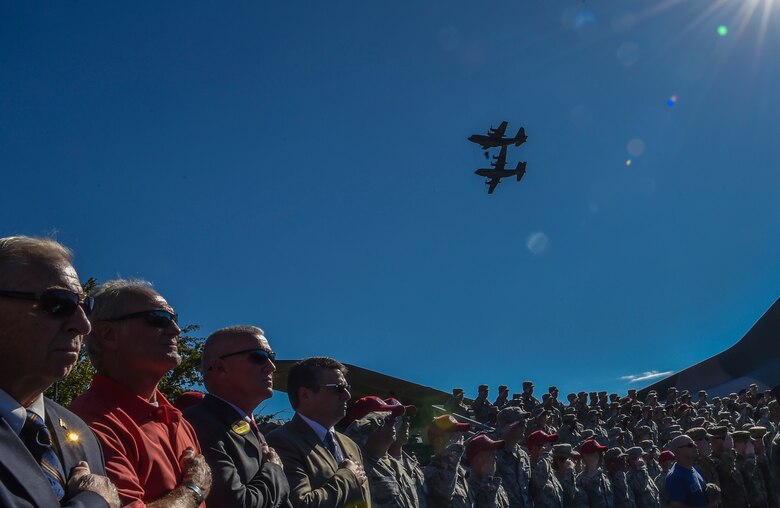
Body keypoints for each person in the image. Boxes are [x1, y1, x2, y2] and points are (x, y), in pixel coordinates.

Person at [0, 236, 120, 507]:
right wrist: (95, 501)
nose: (83, 325)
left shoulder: (81, 432)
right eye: (58, 303)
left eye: (84, 306)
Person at [70, 278, 212, 507]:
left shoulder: (179, 420)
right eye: (159, 319)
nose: (175, 330)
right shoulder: (92, 421)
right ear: (108, 334)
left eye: (174, 319)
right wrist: (194, 490)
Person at [183, 325, 290, 507]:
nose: (271, 366)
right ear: (221, 368)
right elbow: (237, 504)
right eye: (259, 356)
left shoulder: (247, 426)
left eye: (271, 357)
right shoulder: (200, 424)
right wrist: (274, 469)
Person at [265, 357, 370, 508]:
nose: (347, 395)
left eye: (348, 388)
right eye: (337, 388)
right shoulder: (282, 441)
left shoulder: (350, 445)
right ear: (305, 395)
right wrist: (348, 477)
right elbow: (300, 504)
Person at [344, 397, 417, 508]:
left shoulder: (398, 466)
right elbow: (348, 442)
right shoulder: (359, 464)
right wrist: (373, 418)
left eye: (394, 418)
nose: (393, 422)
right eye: (386, 419)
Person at [424, 414, 472, 508]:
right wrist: (453, 451)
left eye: (459, 432)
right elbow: (445, 493)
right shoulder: (430, 471)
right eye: (454, 433)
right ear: (439, 441)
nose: (460, 437)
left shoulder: (459, 471)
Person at [386, 398, 426, 508]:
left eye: (407, 418)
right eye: (400, 419)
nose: (406, 423)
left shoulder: (414, 465)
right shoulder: (379, 464)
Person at [491, 407, 533, 507]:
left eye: (525, 422)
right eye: (520, 423)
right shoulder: (492, 449)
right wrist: (500, 432)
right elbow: (469, 449)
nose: (525, 425)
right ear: (507, 425)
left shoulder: (523, 455)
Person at [664, 435, 712, 507]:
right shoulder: (675, 476)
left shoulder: (695, 469)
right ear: (678, 450)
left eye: (695, 444)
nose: (695, 446)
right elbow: (675, 506)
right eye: (690, 445)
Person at [465, 434, 510, 507]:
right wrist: (488, 480)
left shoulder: (498, 488)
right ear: (477, 460)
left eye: (496, 454)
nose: (495, 458)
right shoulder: (466, 489)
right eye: (491, 454)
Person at [575, 439, 612, 508]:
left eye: (601, 454)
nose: (601, 457)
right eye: (596, 454)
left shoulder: (603, 476)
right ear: (586, 456)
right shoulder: (580, 481)